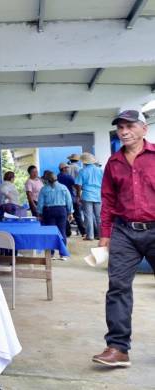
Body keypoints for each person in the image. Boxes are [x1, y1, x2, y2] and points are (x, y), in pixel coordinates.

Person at [92, 109, 155, 368]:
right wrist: (104, 235)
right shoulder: (113, 162)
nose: (124, 131)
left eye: (130, 126)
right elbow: (107, 200)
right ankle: (118, 348)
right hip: (124, 232)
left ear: (144, 129)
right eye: (120, 127)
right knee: (117, 287)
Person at [36, 171, 73, 259]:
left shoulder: (44, 189)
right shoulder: (63, 187)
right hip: (61, 210)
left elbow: (40, 203)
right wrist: (70, 212)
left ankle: (51, 254)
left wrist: (39, 214)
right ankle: (63, 254)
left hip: (49, 211)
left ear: (47, 180)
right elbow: (69, 201)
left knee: (50, 232)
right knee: (62, 231)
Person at [75, 152, 103, 241]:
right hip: (98, 195)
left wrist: (78, 195)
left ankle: (90, 236)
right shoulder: (100, 170)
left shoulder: (82, 171)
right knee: (99, 216)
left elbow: (78, 185)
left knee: (88, 216)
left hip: (87, 195)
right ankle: (100, 235)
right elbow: (105, 183)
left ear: (84, 162)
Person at [57, 162, 85, 237]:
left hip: (62, 200)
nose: (67, 169)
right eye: (66, 168)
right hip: (72, 199)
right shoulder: (68, 177)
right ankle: (83, 232)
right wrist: (78, 195)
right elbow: (76, 186)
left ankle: (67, 232)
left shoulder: (57, 177)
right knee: (77, 216)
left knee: (65, 216)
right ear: (63, 169)